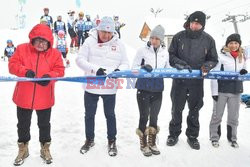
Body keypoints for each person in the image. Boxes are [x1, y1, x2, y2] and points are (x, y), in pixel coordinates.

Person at [9, 24, 65, 165]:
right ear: (32, 39)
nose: (41, 44)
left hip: (45, 98)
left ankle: (45, 148)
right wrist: (25, 72)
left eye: (44, 41)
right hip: (23, 97)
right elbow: (12, 65)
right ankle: (23, 148)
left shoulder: (55, 54)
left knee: (44, 125)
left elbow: (60, 70)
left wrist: (50, 77)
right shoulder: (22, 49)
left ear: (49, 42)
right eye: (38, 40)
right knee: (22, 125)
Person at [76, 16, 129, 156]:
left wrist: (120, 71)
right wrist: (95, 69)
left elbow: (125, 63)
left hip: (110, 86)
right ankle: (89, 139)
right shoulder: (89, 41)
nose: (106, 35)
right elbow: (79, 60)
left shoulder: (119, 44)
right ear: (98, 30)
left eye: (109, 33)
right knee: (89, 115)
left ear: (113, 32)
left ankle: (112, 141)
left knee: (110, 115)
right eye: (103, 32)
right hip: (91, 85)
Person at [166, 11, 218, 150]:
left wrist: (207, 66)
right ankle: (173, 134)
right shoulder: (178, 37)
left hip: (197, 82)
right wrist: (180, 63)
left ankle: (192, 136)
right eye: (193, 22)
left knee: (194, 110)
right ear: (189, 22)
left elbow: (213, 59)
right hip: (180, 80)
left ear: (202, 25)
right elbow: (171, 56)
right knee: (177, 109)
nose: (194, 26)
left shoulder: (208, 40)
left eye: (198, 24)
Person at [132, 25, 169, 156]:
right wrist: (143, 66)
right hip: (143, 87)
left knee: (154, 116)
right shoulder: (142, 51)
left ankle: (152, 142)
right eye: (152, 38)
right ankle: (143, 143)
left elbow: (168, 69)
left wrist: (178, 68)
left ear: (161, 40)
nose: (154, 41)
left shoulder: (165, 53)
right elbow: (134, 67)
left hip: (158, 88)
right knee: (143, 116)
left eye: (157, 39)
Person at [210, 33, 248, 148]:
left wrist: (244, 71)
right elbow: (214, 74)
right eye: (231, 43)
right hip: (222, 90)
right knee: (217, 115)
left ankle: (232, 138)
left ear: (239, 44)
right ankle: (214, 137)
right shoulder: (221, 56)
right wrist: (214, 93)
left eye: (236, 43)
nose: (233, 45)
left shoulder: (242, 56)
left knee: (233, 116)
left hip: (236, 91)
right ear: (227, 44)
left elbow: (245, 68)